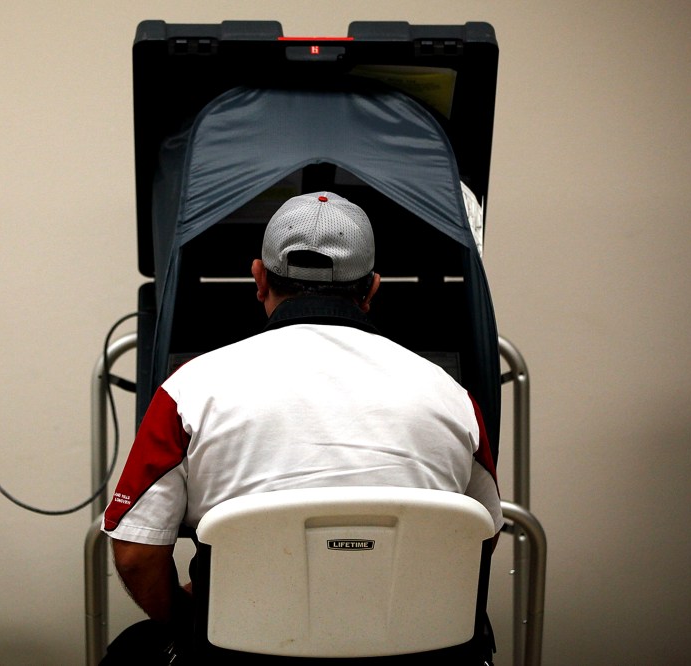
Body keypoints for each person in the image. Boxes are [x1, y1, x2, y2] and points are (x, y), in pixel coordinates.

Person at [100, 192, 503, 664]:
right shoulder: (453, 398)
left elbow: (135, 554)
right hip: (421, 659)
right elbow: (480, 537)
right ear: (372, 288)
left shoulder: (188, 390)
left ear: (259, 278)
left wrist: (189, 619)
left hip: (241, 658)